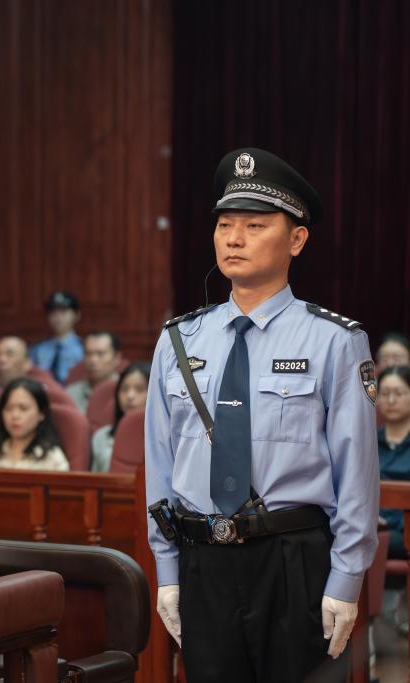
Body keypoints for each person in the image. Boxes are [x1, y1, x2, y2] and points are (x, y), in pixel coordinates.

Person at [145, 148, 379, 682]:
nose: (234, 239)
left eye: (254, 226)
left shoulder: (334, 341)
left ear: (296, 240)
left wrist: (346, 578)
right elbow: (160, 462)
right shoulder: (179, 340)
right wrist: (167, 568)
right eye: (225, 225)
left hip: (294, 561)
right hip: (202, 557)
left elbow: (357, 474)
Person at [0, 378, 69, 471]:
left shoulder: (53, 459)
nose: (15, 415)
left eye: (23, 408)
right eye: (8, 408)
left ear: (41, 413)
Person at [90, 362, 150, 472]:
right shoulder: (101, 437)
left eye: (139, 389)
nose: (130, 396)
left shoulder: (165, 438)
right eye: (124, 389)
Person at [378, 365, 410, 559]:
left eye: (398, 393)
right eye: (384, 394)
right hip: (370, 525)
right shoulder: (368, 442)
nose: (391, 400)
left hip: (404, 529)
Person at [29, 291, 84, 383]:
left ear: (77, 315)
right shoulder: (37, 349)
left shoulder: (84, 348)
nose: (58, 317)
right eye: (53, 312)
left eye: (63, 311)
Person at [66, 331, 122, 412]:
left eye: (100, 354)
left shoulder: (127, 391)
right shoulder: (70, 394)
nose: (93, 360)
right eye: (88, 354)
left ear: (116, 358)